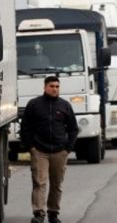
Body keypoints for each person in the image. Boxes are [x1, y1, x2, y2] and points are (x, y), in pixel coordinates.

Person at [20, 76, 78, 223]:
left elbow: (73, 129)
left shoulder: (65, 106)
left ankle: (53, 213)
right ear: (45, 87)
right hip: (40, 151)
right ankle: (39, 213)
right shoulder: (34, 104)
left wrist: (67, 148)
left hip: (59, 151)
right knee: (39, 182)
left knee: (56, 184)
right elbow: (25, 127)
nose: (55, 89)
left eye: (57, 86)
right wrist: (31, 147)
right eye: (52, 86)